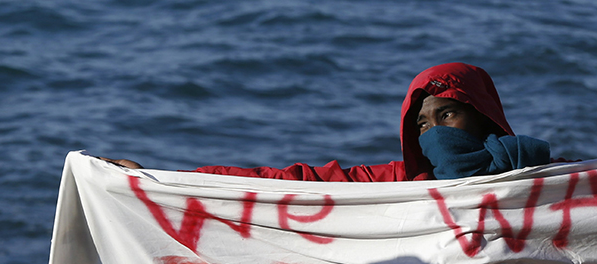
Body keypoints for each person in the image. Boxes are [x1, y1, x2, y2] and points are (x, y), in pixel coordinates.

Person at [103, 62, 555, 181]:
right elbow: (289, 182)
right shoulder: (397, 183)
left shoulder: (548, 179)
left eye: (447, 114)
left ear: (483, 117)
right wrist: (162, 178)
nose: (434, 132)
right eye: (421, 124)